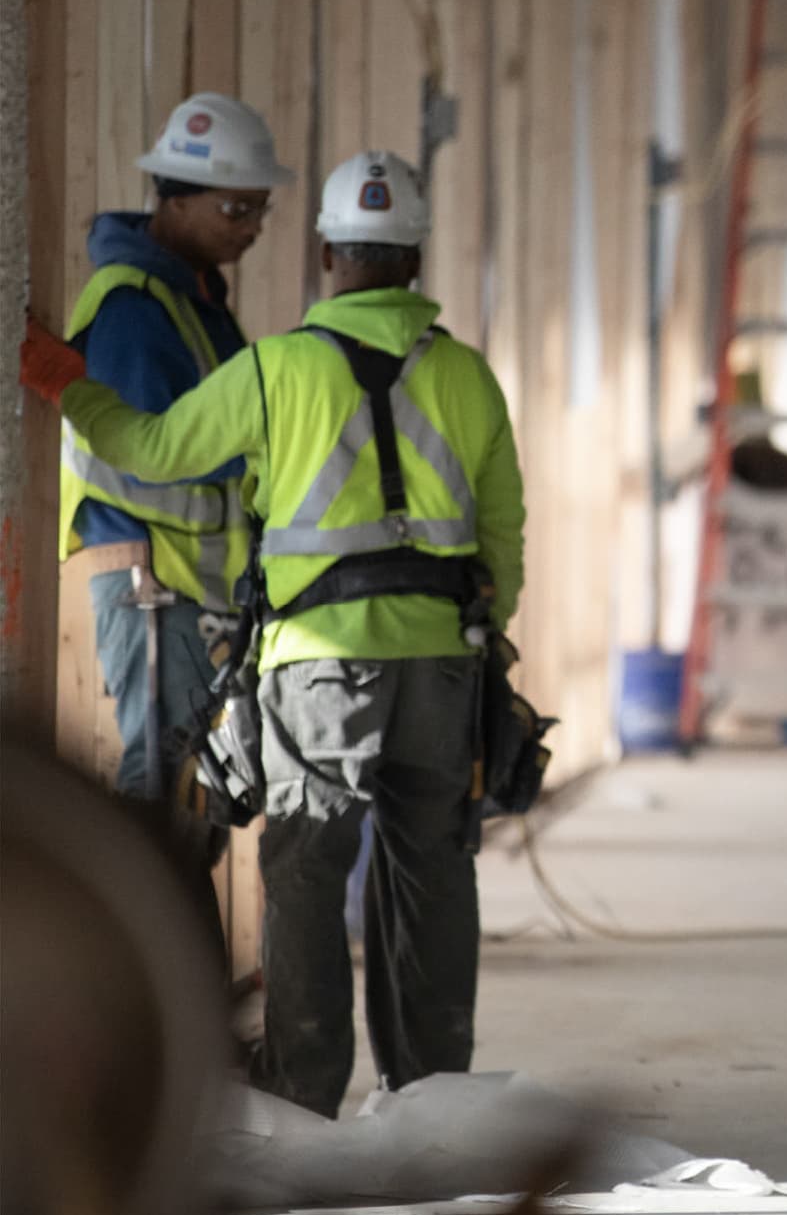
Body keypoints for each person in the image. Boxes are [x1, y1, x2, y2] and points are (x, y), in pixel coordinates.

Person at [23, 151, 526, 1119]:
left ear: (329, 252)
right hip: (439, 661)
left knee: (304, 872)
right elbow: (503, 532)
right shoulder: (468, 376)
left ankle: (303, 1093)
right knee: (431, 866)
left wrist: (65, 381)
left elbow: (152, 448)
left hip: (316, 669)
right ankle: (434, 1095)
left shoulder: (275, 366)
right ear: (414, 257)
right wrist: (480, 642)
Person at [57, 93, 290, 809]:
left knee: (197, 794)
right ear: (177, 201)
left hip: (191, 587)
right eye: (235, 210)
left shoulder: (194, 302)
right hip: (151, 582)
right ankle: (116, 926)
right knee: (157, 787)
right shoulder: (133, 307)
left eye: (259, 210)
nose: (251, 228)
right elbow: (154, 448)